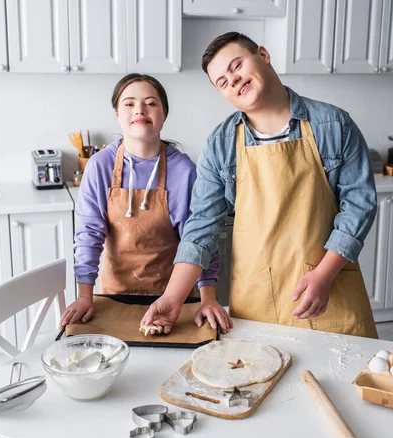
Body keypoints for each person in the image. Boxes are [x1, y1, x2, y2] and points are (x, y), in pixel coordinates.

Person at [141, 32, 378, 338]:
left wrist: (324, 274)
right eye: (222, 83)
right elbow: (202, 226)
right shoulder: (221, 144)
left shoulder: (333, 125)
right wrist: (173, 298)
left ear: (263, 56)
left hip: (329, 292)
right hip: (257, 302)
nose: (234, 81)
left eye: (236, 66)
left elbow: (359, 206)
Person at [60, 73, 232, 335]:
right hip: (113, 297)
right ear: (117, 114)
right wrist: (85, 295)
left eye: (151, 103)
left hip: (176, 297)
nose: (139, 109)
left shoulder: (184, 170)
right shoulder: (99, 167)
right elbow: (88, 235)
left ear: (164, 114)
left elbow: (200, 239)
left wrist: (208, 297)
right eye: (129, 104)